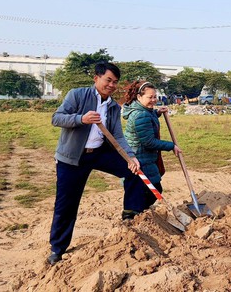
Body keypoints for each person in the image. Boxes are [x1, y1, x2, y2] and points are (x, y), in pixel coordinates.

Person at [47, 62, 141, 266]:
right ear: (96, 78)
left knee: (134, 171)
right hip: (72, 157)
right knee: (66, 204)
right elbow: (57, 118)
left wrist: (130, 157)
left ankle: (130, 215)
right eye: (108, 80)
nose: (111, 85)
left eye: (115, 82)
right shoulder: (77, 95)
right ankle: (57, 248)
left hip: (99, 153)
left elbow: (117, 135)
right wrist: (82, 118)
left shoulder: (114, 107)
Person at [121, 81, 182, 215]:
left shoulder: (143, 111)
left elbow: (148, 116)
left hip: (144, 158)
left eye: (155, 97)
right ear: (139, 97)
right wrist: (171, 146)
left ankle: (138, 212)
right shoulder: (140, 115)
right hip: (139, 159)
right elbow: (149, 141)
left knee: (146, 190)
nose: (153, 100)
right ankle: (133, 215)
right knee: (149, 190)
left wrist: (157, 113)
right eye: (150, 97)